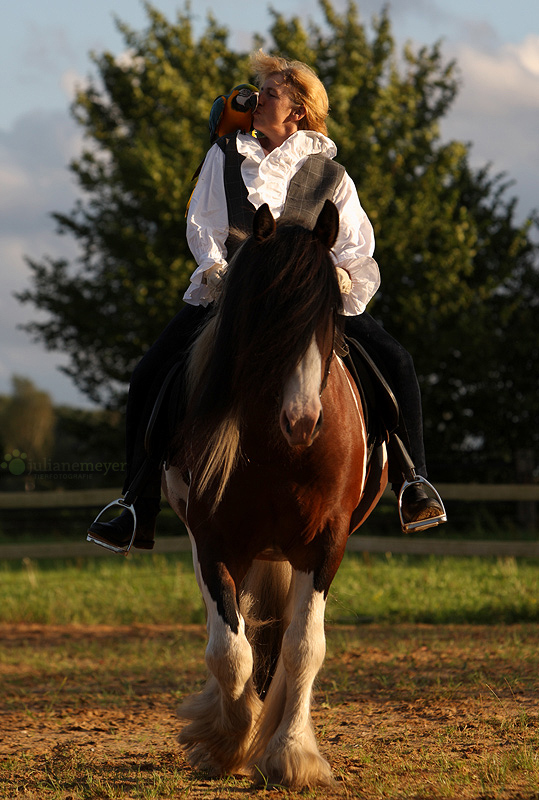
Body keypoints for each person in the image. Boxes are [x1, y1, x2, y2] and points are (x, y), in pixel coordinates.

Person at [88, 50, 445, 552]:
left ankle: (413, 480)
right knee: (150, 373)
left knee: (398, 363)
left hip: (308, 301)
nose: (256, 100)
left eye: (270, 93)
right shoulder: (226, 155)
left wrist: (342, 277)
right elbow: (204, 224)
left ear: (298, 109)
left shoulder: (331, 174)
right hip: (232, 296)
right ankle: (134, 502)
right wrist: (215, 270)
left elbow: (357, 246)